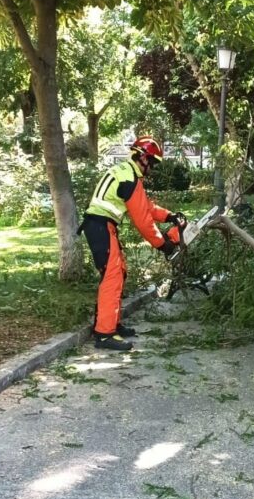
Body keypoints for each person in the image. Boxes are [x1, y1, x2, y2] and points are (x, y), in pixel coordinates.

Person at [79, 136, 187, 351]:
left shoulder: (127, 173)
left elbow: (146, 207)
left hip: (101, 226)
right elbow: (143, 221)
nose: (152, 168)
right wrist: (162, 244)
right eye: (152, 163)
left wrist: (169, 216)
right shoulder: (130, 178)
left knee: (119, 273)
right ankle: (104, 334)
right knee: (112, 277)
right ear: (143, 158)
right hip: (101, 226)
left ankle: (111, 324)